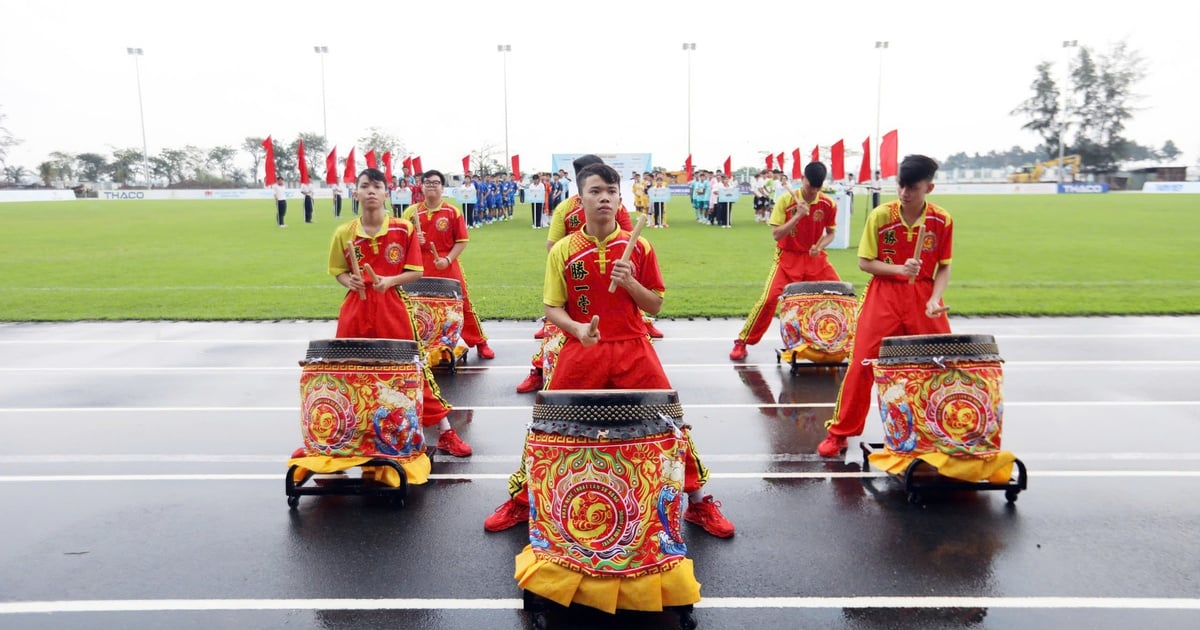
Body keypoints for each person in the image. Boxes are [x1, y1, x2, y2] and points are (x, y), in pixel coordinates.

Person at [488, 163, 735, 538]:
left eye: (611, 192)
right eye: (595, 190)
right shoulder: (564, 251)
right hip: (581, 348)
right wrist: (576, 329)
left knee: (672, 423)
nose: (604, 197)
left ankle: (699, 504)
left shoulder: (640, 246)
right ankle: (522, 501)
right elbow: (552, 307)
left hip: (634, 347)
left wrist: (632, 283)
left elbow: (654, 305)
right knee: (546, 425)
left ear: (620, 198)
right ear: (580, 197)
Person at [327, 167, 471, 457]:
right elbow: (338, 271)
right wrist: (350, 281)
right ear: (355, 192)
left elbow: (415, 271)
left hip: (392, 307)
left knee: (411, 371)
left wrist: (389, 281)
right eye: (364, 185)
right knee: (348, 373)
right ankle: (337, 438)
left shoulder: (401, 229)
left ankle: (445, 432)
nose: (370, 191)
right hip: (355, 309)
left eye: (377, 186)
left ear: (386, 193)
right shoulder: (344, 233)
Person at [816, 155, 953, 457]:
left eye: (913, 188)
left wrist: (934, 299)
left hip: (924, 296)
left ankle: (942, 431)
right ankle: (840, 432)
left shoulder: (941, 221)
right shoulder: (881, 215)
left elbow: (944, 267)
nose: (905, 193)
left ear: (929, 187)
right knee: (862, 362)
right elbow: (865, 262)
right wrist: (899, 270)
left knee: (939, 363)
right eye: (901, 186)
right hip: (884, 295)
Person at [730, 162, 840, 361]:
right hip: (787, 257)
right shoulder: (785, 201)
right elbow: (776, 234)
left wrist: (820, 246)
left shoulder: (828, 204)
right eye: (809, 186)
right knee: (769, 299)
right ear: (802, 180)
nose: (813, 192)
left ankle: (839, 343)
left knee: (841, 295)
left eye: (817, 187)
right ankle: (743, 341)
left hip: (815, 258)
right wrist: (797, 216)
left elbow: (831, 234)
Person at [401, 169, 496, 360]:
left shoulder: (452, 212)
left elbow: (461, 241)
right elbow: (400, 241)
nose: (431, 186)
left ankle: (480, 342)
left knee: (462, 303)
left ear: (443, 187)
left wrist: (447, 260)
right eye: (427, 182)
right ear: (422, 186)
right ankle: (416, 344)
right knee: (415, 304)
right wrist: (413, 241)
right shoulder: (411, 212)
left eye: (435, 183)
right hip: (420, 264)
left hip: (447, 262)